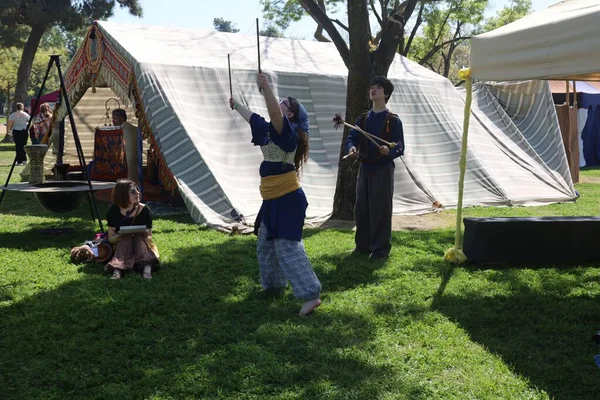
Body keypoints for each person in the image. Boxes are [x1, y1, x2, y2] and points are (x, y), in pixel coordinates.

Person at [229, 73, 322, 316]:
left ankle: (310, 295)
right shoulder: (269, 130)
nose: (279, 103)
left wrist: (267, 87)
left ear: (290, 114)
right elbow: (254, 118)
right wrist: (236, 105)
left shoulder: (287, 132)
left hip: (288, 199)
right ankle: (273, 286)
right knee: (266, 242)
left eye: (284, 103)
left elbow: (273, 114)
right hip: (271, 199)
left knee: (287, 247)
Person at [345, 76, 405, 260]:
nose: (373, 90)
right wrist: (352, 148)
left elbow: (400, 146)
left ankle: (380, 250)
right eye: (372, 87)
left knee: (381, 209)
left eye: (378, 88)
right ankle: (362, 246)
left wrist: (389, 150)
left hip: (383, 169)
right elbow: (351, 138)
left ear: (386, 93)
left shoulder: (393, 120)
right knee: (361, 207)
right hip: (365, 167)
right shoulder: (362, 119)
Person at [105, 179, 159, 279]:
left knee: (138, 237)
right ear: (123, 195)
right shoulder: (113, 211)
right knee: (126, 238)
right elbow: (110, 238)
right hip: (122, 243)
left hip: (141, 243)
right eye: (133, 192)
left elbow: (150, 237)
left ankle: (147, 267)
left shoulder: (145, 210)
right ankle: (118, 269)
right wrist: (117, 237)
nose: (138, 193)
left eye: (137, 190)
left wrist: (146, 236)